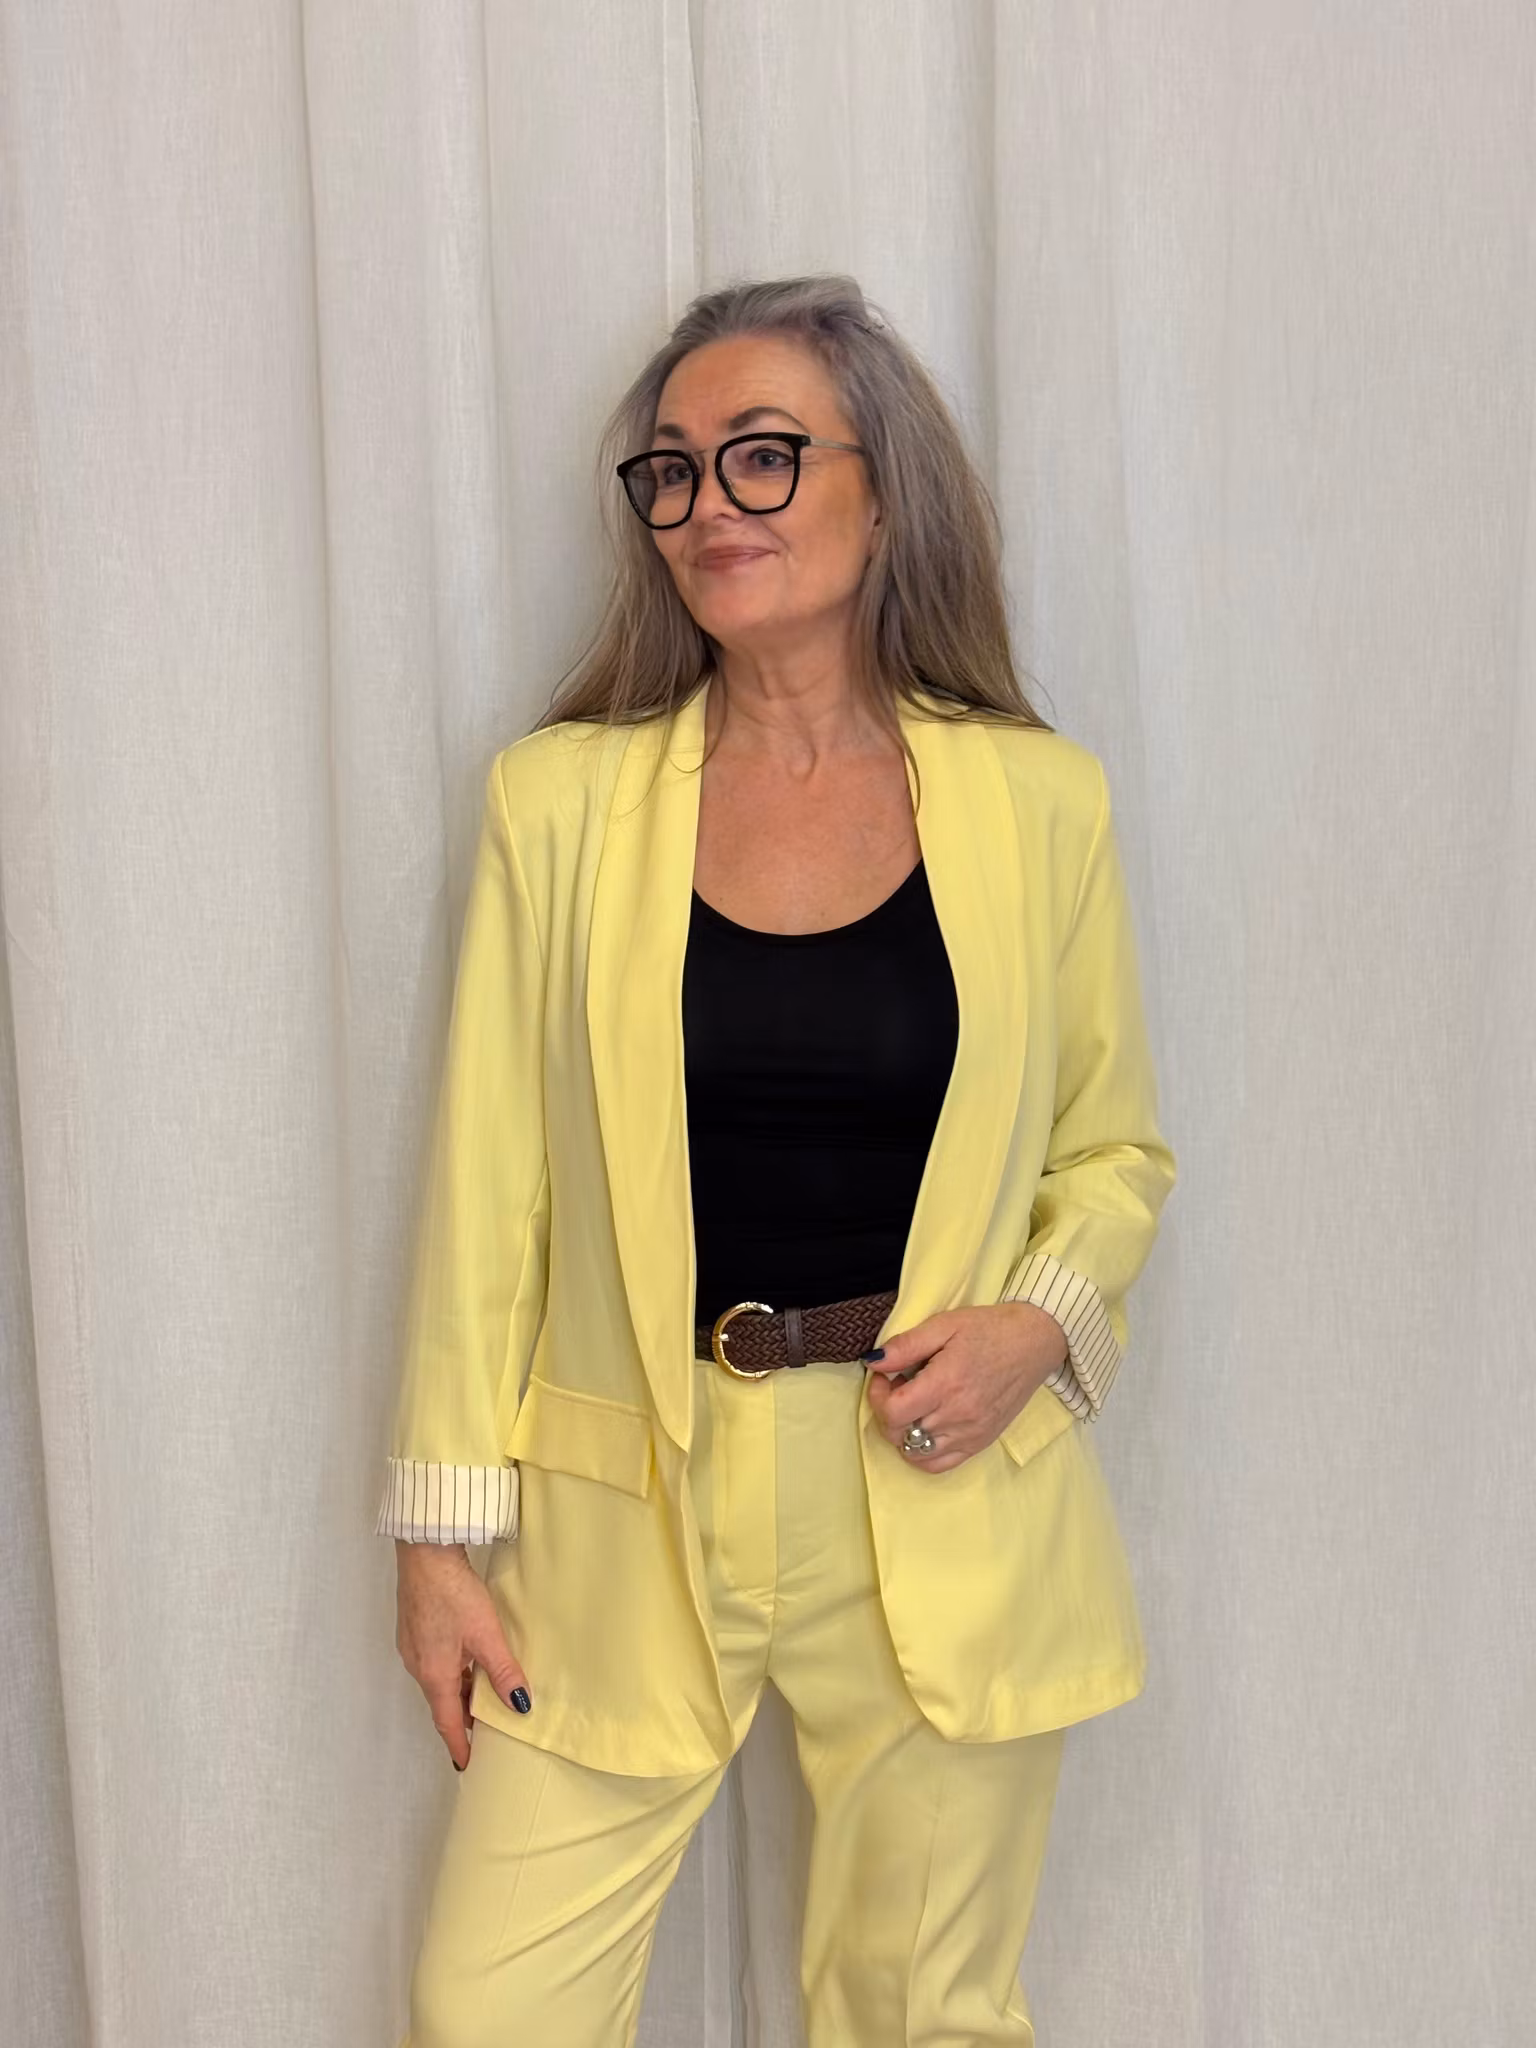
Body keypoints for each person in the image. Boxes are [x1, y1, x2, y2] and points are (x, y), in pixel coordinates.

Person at [376, 273, 1177, 2048]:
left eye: (762, 455)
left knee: (919, 2016)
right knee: (486, 2009)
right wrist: (438, 1537)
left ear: (882, 489)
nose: (707, 507)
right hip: (628, 1501)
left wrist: (1037, 1324)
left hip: (936, 1479)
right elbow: (487, 1192)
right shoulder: (558, 806)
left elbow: (1115, 1147)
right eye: (670, 471)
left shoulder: (1039, 803)